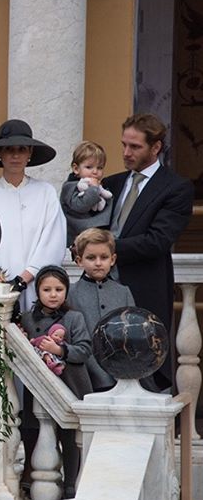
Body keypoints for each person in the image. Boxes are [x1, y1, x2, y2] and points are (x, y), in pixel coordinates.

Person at [103, 113, 194, 391]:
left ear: (156, 147)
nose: (126, 153)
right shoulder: (111, 184)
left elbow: (157, 241)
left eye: (135, 147)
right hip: (102, 290)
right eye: (124, 145)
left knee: (146, 372)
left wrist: (103, 248)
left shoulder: (176, 188)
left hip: (144, 289)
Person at [0, 119, 67, 313]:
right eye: (9, 149)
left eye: (22, 149)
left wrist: (24, 278)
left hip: (36, 286)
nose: (15, 155)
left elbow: (53, 240)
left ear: (30, 153)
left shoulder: (45, 192)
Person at [20, 265, 92, 499]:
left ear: (66, 291)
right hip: (38, 388)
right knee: (35, 431)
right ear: (38, 291)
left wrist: (59, 349)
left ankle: (71, 485)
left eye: (59, 289)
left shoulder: (74, 318)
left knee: (69, 436)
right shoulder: (27, 318)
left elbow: (84, 350)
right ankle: (35, 483)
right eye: (47, 289)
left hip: (70, 385)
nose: (53, 295)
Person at [67, 228, 135, 392]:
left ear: (112, 259)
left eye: (104, 257)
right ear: (79, 261)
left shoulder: (123, 292)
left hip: (121, 374)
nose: (98, 263)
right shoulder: (71, 293)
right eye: (91, 258)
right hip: (86, 373)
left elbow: (133, 331)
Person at [60, 141, 113, 247]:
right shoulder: (70, 187)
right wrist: (94, 189)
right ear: (76, 169)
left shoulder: (101, 187)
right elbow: (80, 206)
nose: (95, 172)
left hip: (100, 235)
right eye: (89, 167)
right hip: (77, 237)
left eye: (99, 168)